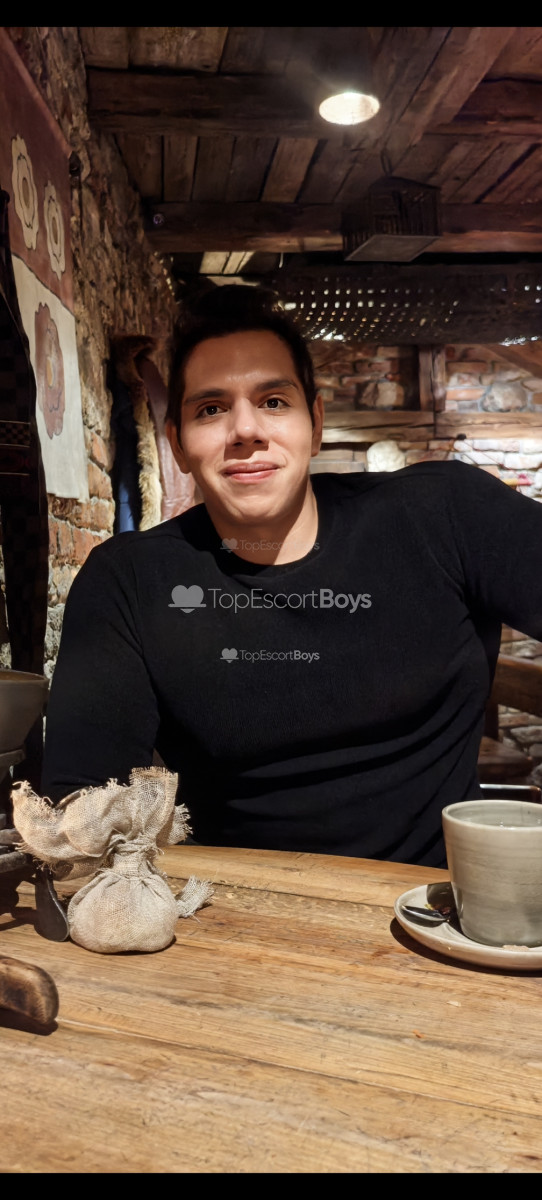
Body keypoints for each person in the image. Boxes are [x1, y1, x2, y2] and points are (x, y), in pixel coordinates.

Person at [41, 285, 542, 867]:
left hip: (442, 900)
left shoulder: (445, 513)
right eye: (211, 409)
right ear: (176, 444)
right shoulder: (130, 579)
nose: (246, 430)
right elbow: (82, 811)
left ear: (316, 423)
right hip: (240, 907)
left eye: (274, 401)